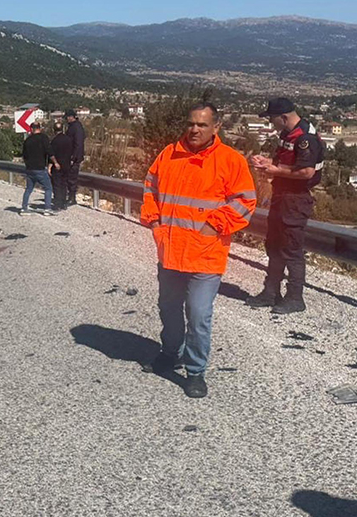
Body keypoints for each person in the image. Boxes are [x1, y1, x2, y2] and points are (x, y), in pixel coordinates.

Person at [139, 103, 257, 399]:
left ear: (216, 128)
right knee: (168, 309)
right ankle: (170, 353)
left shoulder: (230, 161)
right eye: (191, 123)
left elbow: (245, 201)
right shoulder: (169, 154)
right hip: (169, 251)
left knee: (198, 313)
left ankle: (195, 371)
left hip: (206, 254)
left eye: (202, 125)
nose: (194, 129)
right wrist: (153, 222)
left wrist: (214, 226)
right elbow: (150, 188)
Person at [248, 97, 325, 315]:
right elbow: (284, 163)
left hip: (296, 199)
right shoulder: (287, 134)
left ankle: (294, 297)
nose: (270, 123)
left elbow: (307, 172)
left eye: (272, 119)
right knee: (274, 245)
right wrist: (267, 164)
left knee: (291, 249)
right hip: (282, 196)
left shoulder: (305, 137)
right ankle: (271, 292)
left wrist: (276, 172)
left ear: (283, 117)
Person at [20, 120, 56, 215]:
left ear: (31, 129)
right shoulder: (44, 138)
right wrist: (55, 163)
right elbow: (50, 152)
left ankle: (24, 208)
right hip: (40, 168)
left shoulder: (27, 140)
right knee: (48, 188)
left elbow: (24, 155)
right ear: (40, 128)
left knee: (28, 189)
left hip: (29, 169)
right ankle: (47, 209)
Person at [49, 120, 73, 211]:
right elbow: (71, 152)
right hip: (66, 165)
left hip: (58, 165)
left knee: (57, 185)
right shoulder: (68, 140)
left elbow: (51, 154)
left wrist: (51, 165)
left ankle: (57, 204)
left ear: (54, 130)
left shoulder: (54, 141)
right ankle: (64, 203)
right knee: (64, 184)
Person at [64, 108, 86, 205]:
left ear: (71, 117)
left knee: (72, 178)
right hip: (72, 156)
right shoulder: (75, 126)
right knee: (70, 177)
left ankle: (72, 198)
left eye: (67, 117)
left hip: (74, 157)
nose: (66, 119)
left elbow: (78, 143)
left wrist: (74, 157)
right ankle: (70, 197)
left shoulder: (76, 127)